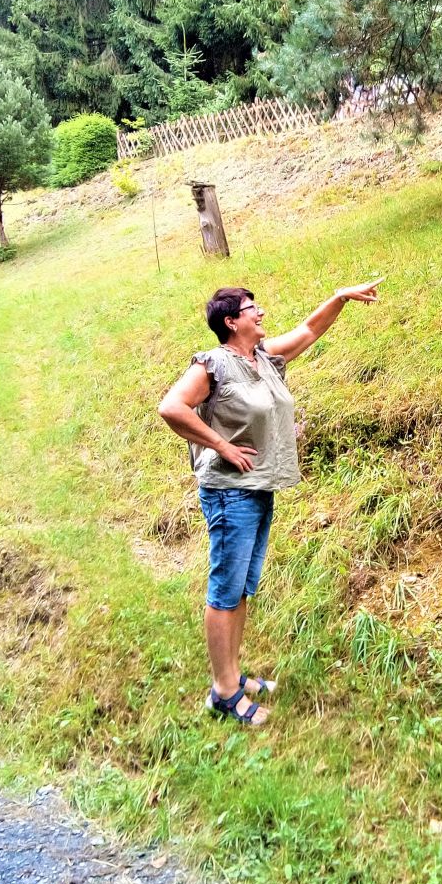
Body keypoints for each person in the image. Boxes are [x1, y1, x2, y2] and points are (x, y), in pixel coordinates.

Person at [158, 279, 382, 726]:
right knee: (225, 591)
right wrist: (222, 446)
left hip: (258, 488)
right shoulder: (212, 365)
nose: (260, 312)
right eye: (251, 308)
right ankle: (224, 693)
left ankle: (233, 676)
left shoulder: (261, 358)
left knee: (240, 588)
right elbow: (171, 407)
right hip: (229, 492)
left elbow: (309, 330)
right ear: (231, 321)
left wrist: (339, 297)